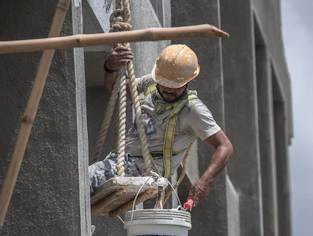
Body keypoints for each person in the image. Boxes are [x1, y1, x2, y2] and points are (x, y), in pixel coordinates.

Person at [89, 44, 233, 209]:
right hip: (122, 161)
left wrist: (205, 181)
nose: (169, 89)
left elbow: (225, 146)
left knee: (84, 180)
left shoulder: (192, 111)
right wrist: (110, 67)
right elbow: (117, 89)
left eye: (176, 85)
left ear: (188, 82)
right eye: (165, 83)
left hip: (145, 170)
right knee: (81, 184)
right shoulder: (150, 84)